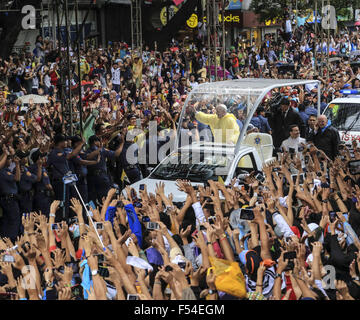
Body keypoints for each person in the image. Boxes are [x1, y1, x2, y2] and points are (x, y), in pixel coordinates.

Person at [86, 134, 124, 203]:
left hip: (90, 179)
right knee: (106, 198)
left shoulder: (87, 151)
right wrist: (122, 143)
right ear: (95, 142)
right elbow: (116, 154)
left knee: (94, 199)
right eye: (99, 141)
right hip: (102, 178)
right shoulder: (101, 150)